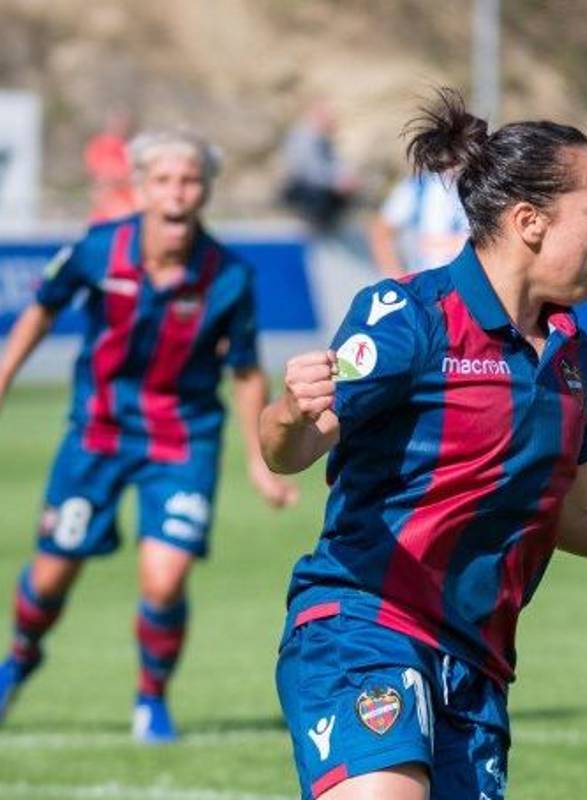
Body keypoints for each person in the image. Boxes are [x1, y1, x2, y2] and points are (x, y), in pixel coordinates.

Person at [260, 89, 587, 800]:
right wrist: (292, 412)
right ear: (530, 222)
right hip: (364, 626)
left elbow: (579, 513)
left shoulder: (572, 354)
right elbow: (292, 449)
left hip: (476, 665)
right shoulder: (409, 318)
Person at [0, 129, 298, 742]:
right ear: (139, 187)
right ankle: (23, 654)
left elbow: (244, 370)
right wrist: (5, 370)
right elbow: (45, 305)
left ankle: (151, 701)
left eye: (188, 180)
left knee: (164, 577)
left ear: (206, 190)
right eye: (163, 180)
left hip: (182, 439)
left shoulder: (229, 276)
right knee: (52, 576)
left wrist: (259, 460)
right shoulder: (99, 249)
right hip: (98, 433)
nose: (176, 192)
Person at [368, 167, 469, 279]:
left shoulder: (484, 191)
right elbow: (381, 231)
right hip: (425, 285)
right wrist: (400, 280)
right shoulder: (418, 187)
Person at [280, 100, 360, 231]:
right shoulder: (303, 139)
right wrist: (336, 182)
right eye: (330, 118)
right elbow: (307, 172)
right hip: (308, 198)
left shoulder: (324, 141)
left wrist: (346, 179)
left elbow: (337, 166)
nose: (334, 122)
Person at [84, 108, 138, 223]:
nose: (120, 125)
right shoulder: (98, 146)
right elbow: (102, 177)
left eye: (123, 122)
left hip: (128, 212)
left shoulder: (131, 148)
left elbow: (135, 177)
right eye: (116, 121)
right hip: (105, 214)